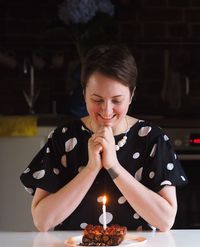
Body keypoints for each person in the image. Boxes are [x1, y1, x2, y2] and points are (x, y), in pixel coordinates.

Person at [20, 44, 188, 232]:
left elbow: (165, 221)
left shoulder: (153, 138)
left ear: (131, 95)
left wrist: (113, 166)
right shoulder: (64, 137)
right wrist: (91, 169)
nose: (106, 110)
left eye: (117, 100)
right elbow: (42, 221)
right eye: (97, 100)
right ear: (84, 94)